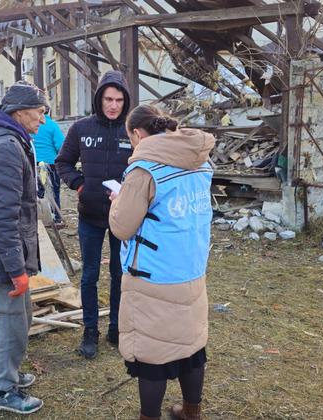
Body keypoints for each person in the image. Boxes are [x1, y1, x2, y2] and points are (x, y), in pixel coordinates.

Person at [109, 105, 214, 420]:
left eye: (130, 139)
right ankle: (191, 411)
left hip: (154, 275)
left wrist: (119, 202)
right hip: (191, 267)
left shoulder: (145, 170)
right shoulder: (200, 160)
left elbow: (123, 227)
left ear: (138, 135)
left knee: (152, 356)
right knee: (191, 346)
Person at [0, 81, 48, 415]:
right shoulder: (5, 148)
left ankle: (1, 373)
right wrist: (17, 269)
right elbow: (1, 217)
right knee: (11, 319)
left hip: (5, 251)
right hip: (4, 253)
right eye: (40, 112)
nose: (43, 120)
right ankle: (2, 389)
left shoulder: (9, 140)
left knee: (18, 316)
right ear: (19, 111)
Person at [55, 70, 133, 359]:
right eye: (108, 99)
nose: (113, 105)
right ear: (99, 99)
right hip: (89, 215)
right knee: (89, 276)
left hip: (121, 217)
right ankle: (90, 331)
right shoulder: (81, 129)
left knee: (119, 274)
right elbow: (62, 162)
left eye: (119, 100)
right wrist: (79, 185)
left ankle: (116, 326)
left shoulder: (132, 131)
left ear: (126, 102)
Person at [32, 107, 65, 224]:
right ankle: (56, 218)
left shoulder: (31, 124)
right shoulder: (52, 125)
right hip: (50, 164)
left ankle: (38, 218)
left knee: (37, 191)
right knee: (54, 191)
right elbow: (61, 145)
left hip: (33, 163)